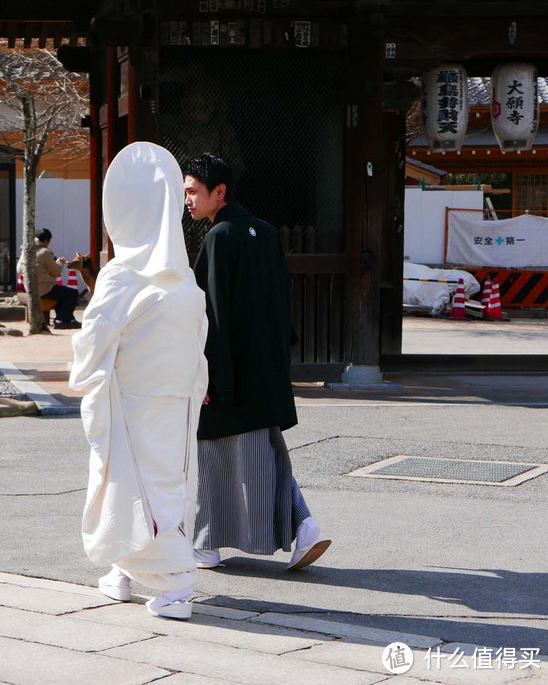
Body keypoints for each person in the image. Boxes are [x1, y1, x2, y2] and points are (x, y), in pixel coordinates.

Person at [69, 142, 209, 620]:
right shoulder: (184, 279)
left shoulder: (121, 275)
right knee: (169, 481)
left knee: (132, 484)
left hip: (130, 401)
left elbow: (93, 342)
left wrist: (86, 370)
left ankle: (175, 584)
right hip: (176, 400)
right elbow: (197, 343)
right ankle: (126, 569)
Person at [184, 152, 330, 571]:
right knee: (265, 455)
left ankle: (206, 544)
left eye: (193, 192)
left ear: (220, 192)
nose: (188, 201)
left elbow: (211, 315)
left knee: (212, 456)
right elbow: (281, 302)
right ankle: (303, 527)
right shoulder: (264, 232)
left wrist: (210, 379)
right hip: (267, 369)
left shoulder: (220, 237)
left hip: (231, 373)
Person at [19, 228, 80, 329]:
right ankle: (61, 320)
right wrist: (60, 263)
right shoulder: (45, 252)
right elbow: (56, 272)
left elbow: (20, 269)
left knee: (62, 294)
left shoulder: (26, 251)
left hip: (30, 287)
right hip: (44, 288)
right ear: (46, 241)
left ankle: (66, 319)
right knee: (72, 294)